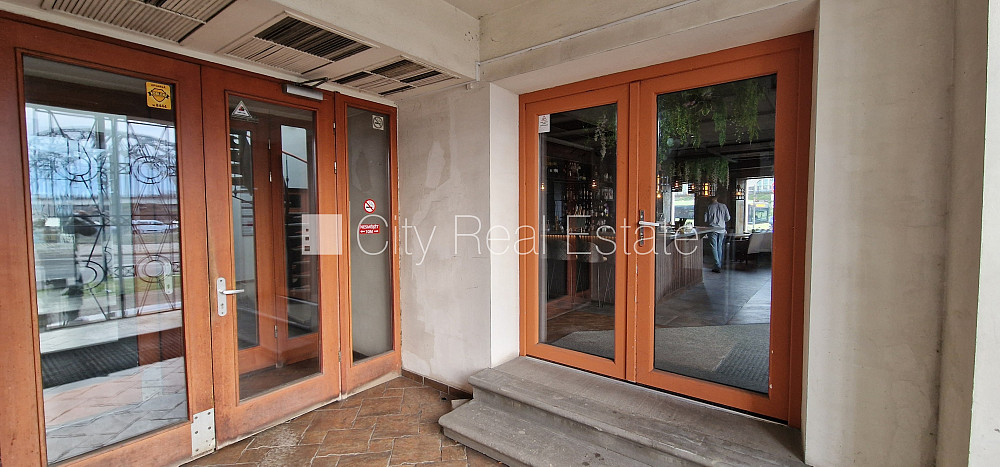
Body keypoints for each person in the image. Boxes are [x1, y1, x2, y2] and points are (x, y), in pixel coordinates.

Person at [704, 195, 730, 273]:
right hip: (722, 229)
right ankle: (719, 264)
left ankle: (717, 265)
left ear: (711, 199)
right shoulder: (724, 206)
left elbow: (705, 219)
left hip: (712, 229)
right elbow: (728, 218)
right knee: (719, 246)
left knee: (713, 247)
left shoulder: (709, 207)